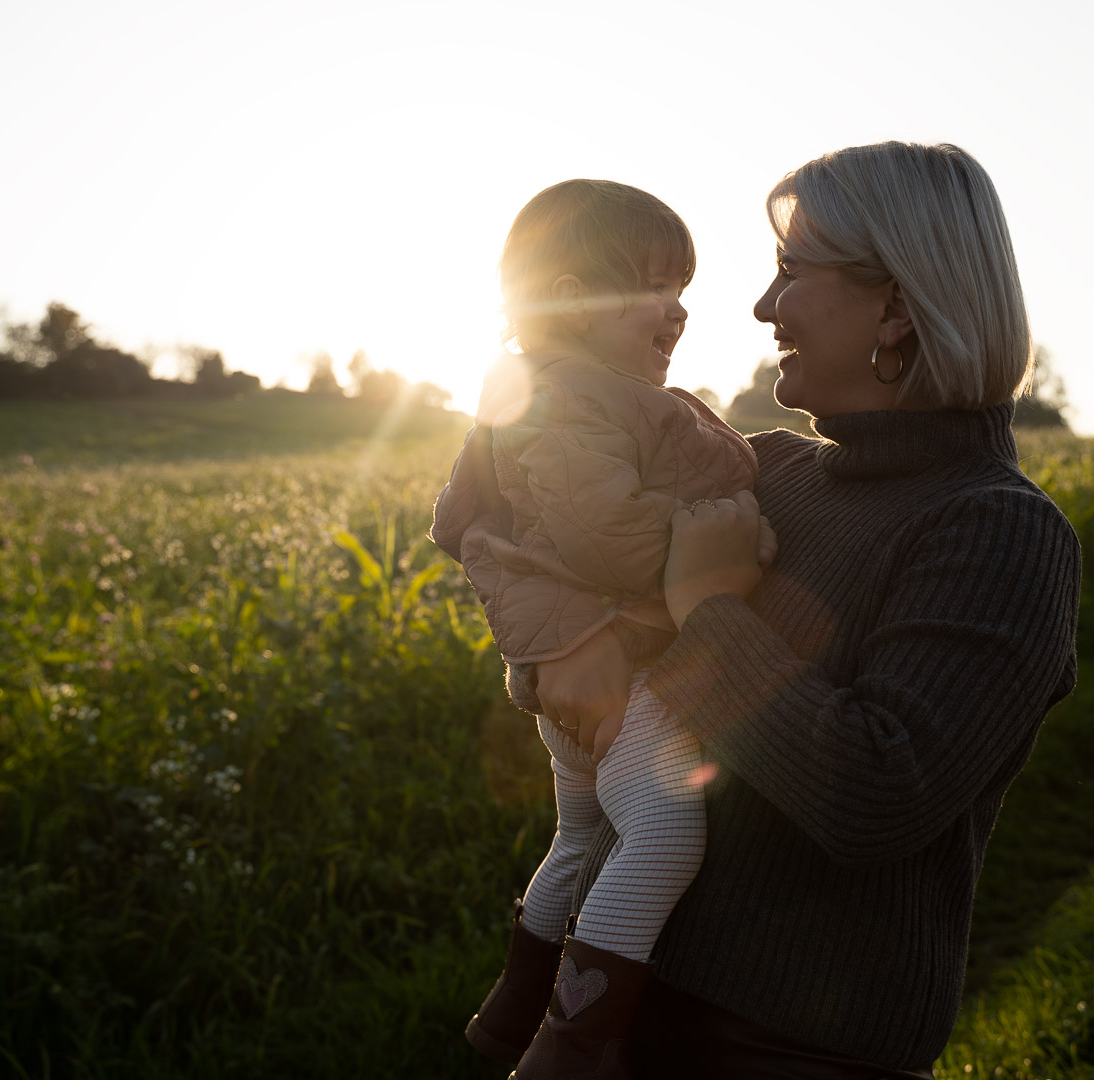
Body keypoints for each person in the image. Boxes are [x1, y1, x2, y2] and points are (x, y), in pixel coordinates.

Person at [526, 142, 1082, 1078]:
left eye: (790, 271)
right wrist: (556, 653)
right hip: (618, 1005)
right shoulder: (767, 474)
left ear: (896, 304)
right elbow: (540, 529)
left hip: (788, 1049)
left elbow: (876, 795)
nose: (760, 306)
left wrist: (706, 609)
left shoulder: (997, 531)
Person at [430, 179, 766, 1076]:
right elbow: (602, 532)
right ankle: (574, 1046)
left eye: (684, 294)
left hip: (579, 668)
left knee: (581, 838)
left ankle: (514, 1008)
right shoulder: (573, 396)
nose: (678, 313)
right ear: (572, 299)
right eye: (656, 290)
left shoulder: (571, 392)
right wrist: (724, 546)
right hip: (632, 669)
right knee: (663, 835)